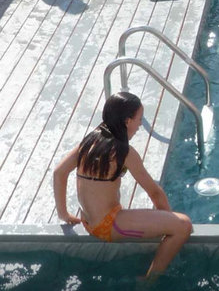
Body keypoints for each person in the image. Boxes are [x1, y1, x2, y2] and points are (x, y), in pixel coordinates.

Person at [53, 92, 192, 279]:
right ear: (127, 121)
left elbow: (59, 172)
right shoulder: (123, 151)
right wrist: (167, 222)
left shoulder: (90, 140)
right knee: (183, 225)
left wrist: (64, 214)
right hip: (107, 225)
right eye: (139, 119)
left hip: (86, 220)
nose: (141, 124)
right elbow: (155, 192)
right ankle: (149, 281)